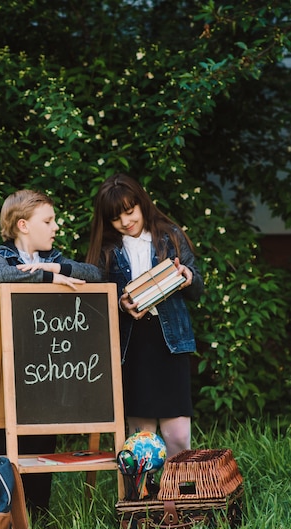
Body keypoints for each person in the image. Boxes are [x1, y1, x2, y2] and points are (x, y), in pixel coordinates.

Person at [0, 189, 102, 517]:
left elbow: (93, 275)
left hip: (46, 365)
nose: (55, 227)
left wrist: (57, 268)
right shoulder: (2, 257)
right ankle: (0, 513)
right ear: (23, 225)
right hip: (8, 364)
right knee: (2, 441)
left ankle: (38, 512)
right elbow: (0, 278)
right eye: (48, 221)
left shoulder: (55, 257)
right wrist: (50, 277)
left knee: (41, 438)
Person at [86, 173, 204, 459]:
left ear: (141, 203)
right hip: (132, 346)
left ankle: (180, 497)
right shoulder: (107, 250)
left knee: (177, 434)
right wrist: (118, 303)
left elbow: (197, 287)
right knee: (141, 436)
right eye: (117, 218)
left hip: (171, 344)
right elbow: (95, 298)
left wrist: (187, 277)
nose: (126, 222)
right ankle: (143, 500)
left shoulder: (170, 235)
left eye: (130, 212)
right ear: (107, 221)